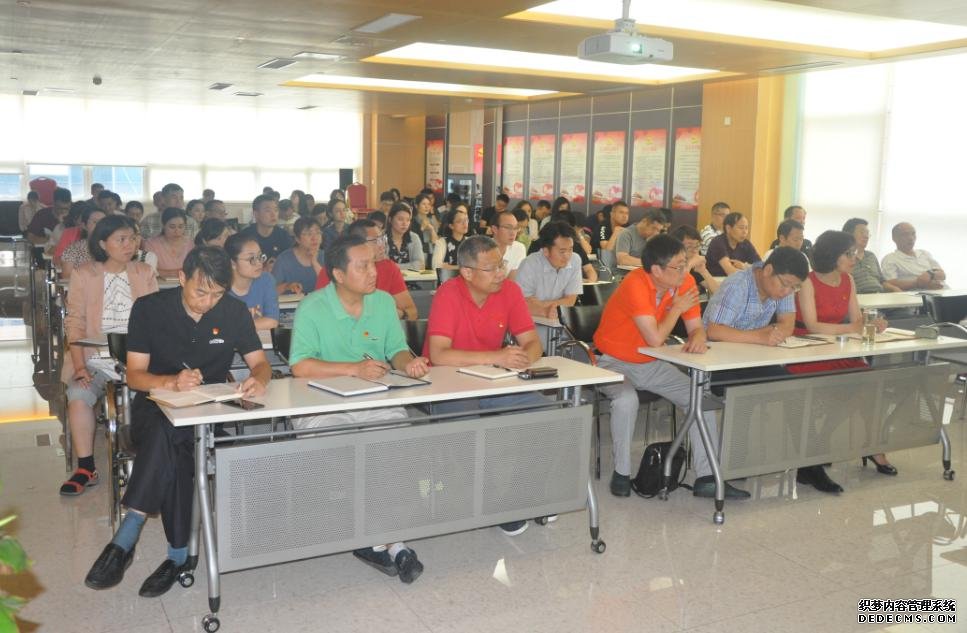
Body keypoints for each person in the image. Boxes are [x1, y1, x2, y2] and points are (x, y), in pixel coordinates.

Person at [84, 247, 270, 597]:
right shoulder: (150, 309)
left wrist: (258, 379)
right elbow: (135, 376)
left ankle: (131, 537)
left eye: (217, 294)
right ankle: (177, 556)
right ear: (182, 278)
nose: (207, 302)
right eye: (201, 292)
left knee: (178, 444)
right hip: (153, 408)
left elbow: (260, 363)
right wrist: (170, 382)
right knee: (171, 434)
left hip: (209, 413)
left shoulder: (233, 312)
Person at [289, 234, 429, 583]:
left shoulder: (382, 302)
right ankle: (392, 543)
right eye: (363, 266)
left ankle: (381, 541)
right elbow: (300, 366)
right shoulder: (312, 307)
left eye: (373, 264)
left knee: (393, 450)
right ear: (338, 274)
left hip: (373, 398)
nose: (373, 272)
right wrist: (353, 369)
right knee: (348, 455)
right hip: (321, 402)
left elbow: (396, 349)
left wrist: (408, 363)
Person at [594, 234, 747, 499]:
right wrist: (676, 309)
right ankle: (621, 472)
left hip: (650, 363)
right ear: (656, 270)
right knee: (626, 400)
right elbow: (654, 339)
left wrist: (697, 338)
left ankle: (707, 477)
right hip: (611, 361)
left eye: (685, 263)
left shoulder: (684, 282)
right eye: (678, 265)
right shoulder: (635, 283)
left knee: (699, 398)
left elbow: (696, 327)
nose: (684, 270)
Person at [424, 235, 546, 536]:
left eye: (501, 265)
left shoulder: (510, 291)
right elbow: (439, 355)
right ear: (467, 272)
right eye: (491, 269)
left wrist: (522, 360)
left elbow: (533, 342)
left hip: (493, 380)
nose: (501, 273)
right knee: (470, 427)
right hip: (448, 384)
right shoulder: (448, 294)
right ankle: (493, 502)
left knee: (547, 413)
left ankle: (519, 495)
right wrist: (497, 356)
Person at [703, 248, 845, 493]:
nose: (788, 292)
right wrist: (759, 336)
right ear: (768, 270)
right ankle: (734, 462)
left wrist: (773, 334)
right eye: (786, 285)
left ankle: (810, 467)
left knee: (796, 390)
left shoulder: (783, 285)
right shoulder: (738, 285)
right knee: (745, 394)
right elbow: (714, 331)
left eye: (794, 288)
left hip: (752, 358)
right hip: (716, 361)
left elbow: (787, 323)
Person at [60, 215, 158, 496]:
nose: (130, 245)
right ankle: (86, 467)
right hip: (96, 358)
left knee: (154, 400)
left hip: (139, 359)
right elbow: (75, 323)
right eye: (121, 239)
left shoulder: (144, 272)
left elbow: (156, 318)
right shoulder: (84, 274)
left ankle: (150, 460)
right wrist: (80, 366)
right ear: (103, 243)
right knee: (79, 396)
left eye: (133, 238)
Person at [792, 230, 895, 476]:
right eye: (849, 254)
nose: (855, 258)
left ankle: (870, 444)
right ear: (832, 255)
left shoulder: (848, 280)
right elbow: (813, 325)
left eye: (855, 253)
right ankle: (823, 442)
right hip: (807, 351)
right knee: (849, 388)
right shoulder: (808, 281)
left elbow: (857, 320)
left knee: (870, 382)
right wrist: (853, 328)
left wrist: (873, 324)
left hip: (836, 349)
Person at [316, 219, 417, 320]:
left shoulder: (388, 268)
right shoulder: (334, 271)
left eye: (382, 239)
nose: (382, 245)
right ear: (356, 245)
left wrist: (397, 313)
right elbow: (320, 314)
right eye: (375, 241)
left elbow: (412, 313)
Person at [515, 221, 581, 320]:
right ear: (546, 251)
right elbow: (523, 304)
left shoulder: (575, 260)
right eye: (562, 251)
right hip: (532, 321)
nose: (567, 256)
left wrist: (540, 304)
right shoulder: (529, 264)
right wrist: (549, 308)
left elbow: (570, 301)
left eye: (570, 249)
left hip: (559, 320)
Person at [225, 233, 280, 331]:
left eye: (260, 256)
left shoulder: (266, 279)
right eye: (251, 259)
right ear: (233, 263)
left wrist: (235, 328)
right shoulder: (220, 287)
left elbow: (272, 321)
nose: (259, 263)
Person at [880, 222, 947, 290]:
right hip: (919, 294)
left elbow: (942, 275)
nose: (911, 238)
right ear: (894, 238)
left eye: (913, 233)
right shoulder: (890, 259)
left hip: (944, 291)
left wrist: (929, 273)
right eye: (905, 234)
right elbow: (890, 283)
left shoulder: (924, 253)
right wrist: (919, 283)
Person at [842, 218, 900, 293]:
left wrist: (894, 288)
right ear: (849, 234)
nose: (866, 236)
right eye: (862, 232)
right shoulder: (842, 257)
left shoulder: (871, 255)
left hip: (879, 295)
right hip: (858, 296)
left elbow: (882, 281)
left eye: (867, 233)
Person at [239, 193, 293, 272]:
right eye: (268, 211)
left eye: (276, 210)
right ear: (256, 214)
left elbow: (290, 263)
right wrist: (263, 270)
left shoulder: (283, 236)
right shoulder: (245, 237)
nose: (273, 214)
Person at [272, 216, 325, 295]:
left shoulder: (326, 257)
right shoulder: (284, 260)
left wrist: (315, 263)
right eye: (309, 234)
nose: (314, 238)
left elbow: (333, 288)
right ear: (297, 239)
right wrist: (287, 286)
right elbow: (271, 291)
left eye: (318, 233)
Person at [704, 211, 761, 276]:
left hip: (737, 279)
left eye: (746, 228)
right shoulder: (718, 242)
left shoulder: (746, 243)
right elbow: (730, 272)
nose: (745, 232)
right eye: (741, 228)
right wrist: (749, 270)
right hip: (716, 280)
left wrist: (745, 266)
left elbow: (761, 267)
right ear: (728, 228)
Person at [144, 208, 194, 277]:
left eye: (181, 227)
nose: (177, 231)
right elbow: (147, 270)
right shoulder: (150, 244)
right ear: (163, 225)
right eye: (172, 227)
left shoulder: (190, 244)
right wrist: (178, 273)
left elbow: (194, 269)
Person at [671, 225, 719, 294]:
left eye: (697, 246)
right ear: (676, 248)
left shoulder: (695, 262)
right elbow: (674, 292)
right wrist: (689, 265)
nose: (695, 251)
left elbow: (719, 293)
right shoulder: (670, 265)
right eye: (689, 247)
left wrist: (703, 271)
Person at [61, 206, 106, 279]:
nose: (99, 226)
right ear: (84, 225)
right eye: (95, 222)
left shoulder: (114, 247)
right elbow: (67, 277)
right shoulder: (73, 249)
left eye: (103, 222)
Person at [386, 202, 425, 271]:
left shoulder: (414, 237)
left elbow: (420, 265)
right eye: (400, 219)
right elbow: (383, 266)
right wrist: (410, 266)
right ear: (390, 219)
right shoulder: (381, 239)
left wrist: (395, 267)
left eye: (408, 220)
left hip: (411, 278)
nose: (405, 223)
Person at [432, 204, 470, 270]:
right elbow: (435, 266)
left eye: (466, 220)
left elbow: (477, 266)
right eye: (459, 221)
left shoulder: (471, 242)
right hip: (447, 276)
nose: (464, 223)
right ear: (451, 226)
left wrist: (449, 267)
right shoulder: (442, 242)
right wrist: (461, 267)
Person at [491, 210, 526, 278]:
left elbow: (512, 281)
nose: (513, 233)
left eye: (516, 228)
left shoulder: (519, 248)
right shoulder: (482, 249)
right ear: (495, 229)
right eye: (508, 227)